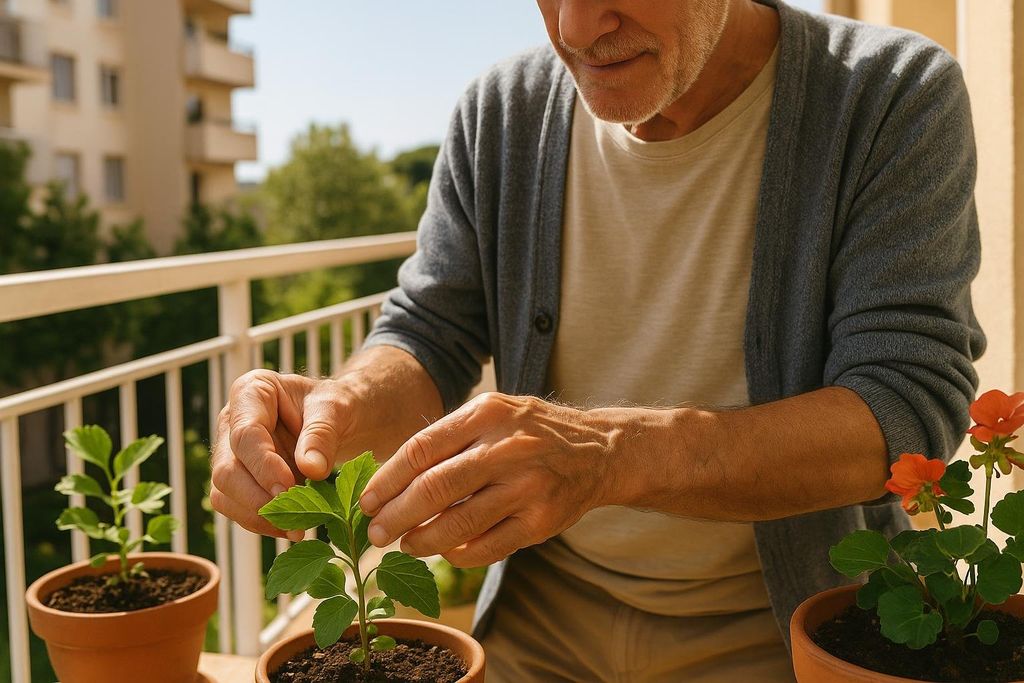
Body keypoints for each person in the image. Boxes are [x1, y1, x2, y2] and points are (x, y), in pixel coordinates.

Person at [211, 0, 986, 680]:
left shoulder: (890, 94)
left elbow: (902, 405)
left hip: (782, 629)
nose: (577, 27)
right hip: (537, 623)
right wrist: (341, 406)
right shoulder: (500, 111)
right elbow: (429, 329)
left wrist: (608, 456)